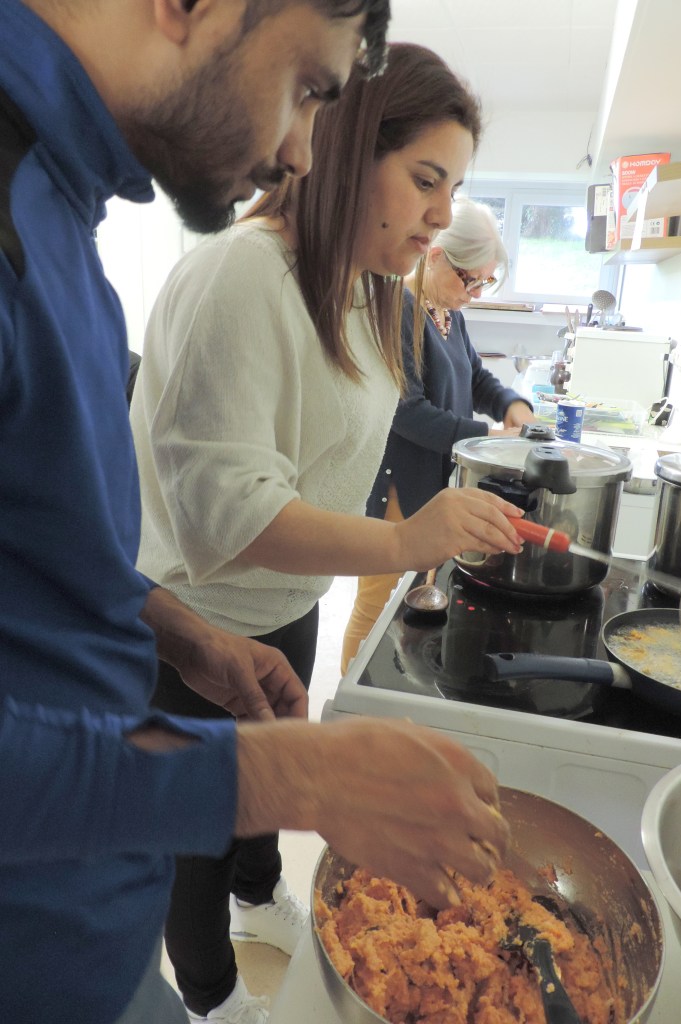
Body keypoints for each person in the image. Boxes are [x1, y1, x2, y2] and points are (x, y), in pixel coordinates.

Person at [0, 3, 513, 1023]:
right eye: (308, 89)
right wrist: (274, 779)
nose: (298, 152)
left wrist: (175, 629)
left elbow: (44, 557)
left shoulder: (57, 212)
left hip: (85, 929)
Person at [130, 41, 528, 1022]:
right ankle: (212, 994)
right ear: (350, 149)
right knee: (198, 827)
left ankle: (260, 897)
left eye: (454, 188)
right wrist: (401, 542)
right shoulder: (243, 276)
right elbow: (230, 512)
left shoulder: (372, 288)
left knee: (267, 790)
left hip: (287, 599)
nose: (441, 214)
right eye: (425, 180)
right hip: (195, 613)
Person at [341, 197, 537, 671]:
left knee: (417, 596)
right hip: (399, 483)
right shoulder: (395, 309)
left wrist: (511, 405)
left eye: (484, 282)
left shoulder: (449, 313)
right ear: (434, 256)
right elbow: (407, 412)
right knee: (377, 600)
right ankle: (351, 694)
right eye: (469, 280)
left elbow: (476, 379)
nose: (475, 293)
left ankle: (396, 681)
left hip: (436, 478)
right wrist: (487, 436)